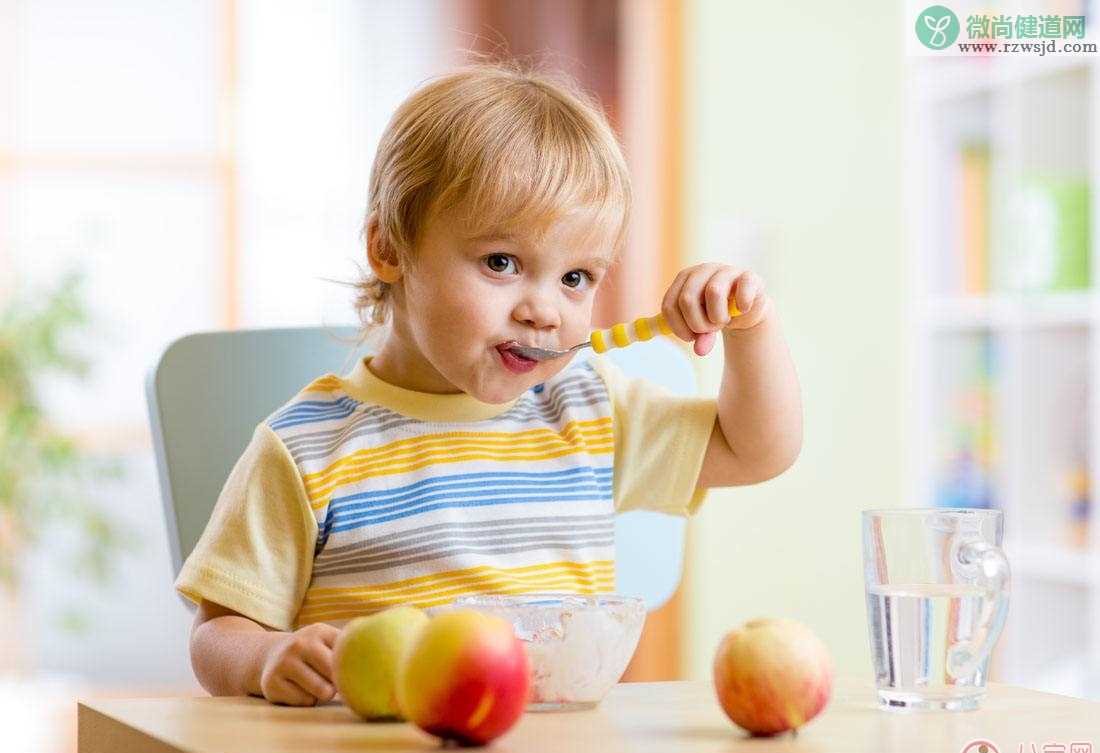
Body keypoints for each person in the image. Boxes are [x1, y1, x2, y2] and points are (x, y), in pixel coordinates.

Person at [176, 61, 802, 707]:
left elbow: (757, 449)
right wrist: (264, 658)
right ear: (389, 248)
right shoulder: (306, 447)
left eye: (577, 278)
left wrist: (750, 330)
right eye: (502, 263)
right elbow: (217, 632)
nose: (546, 310)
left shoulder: (588, 409)